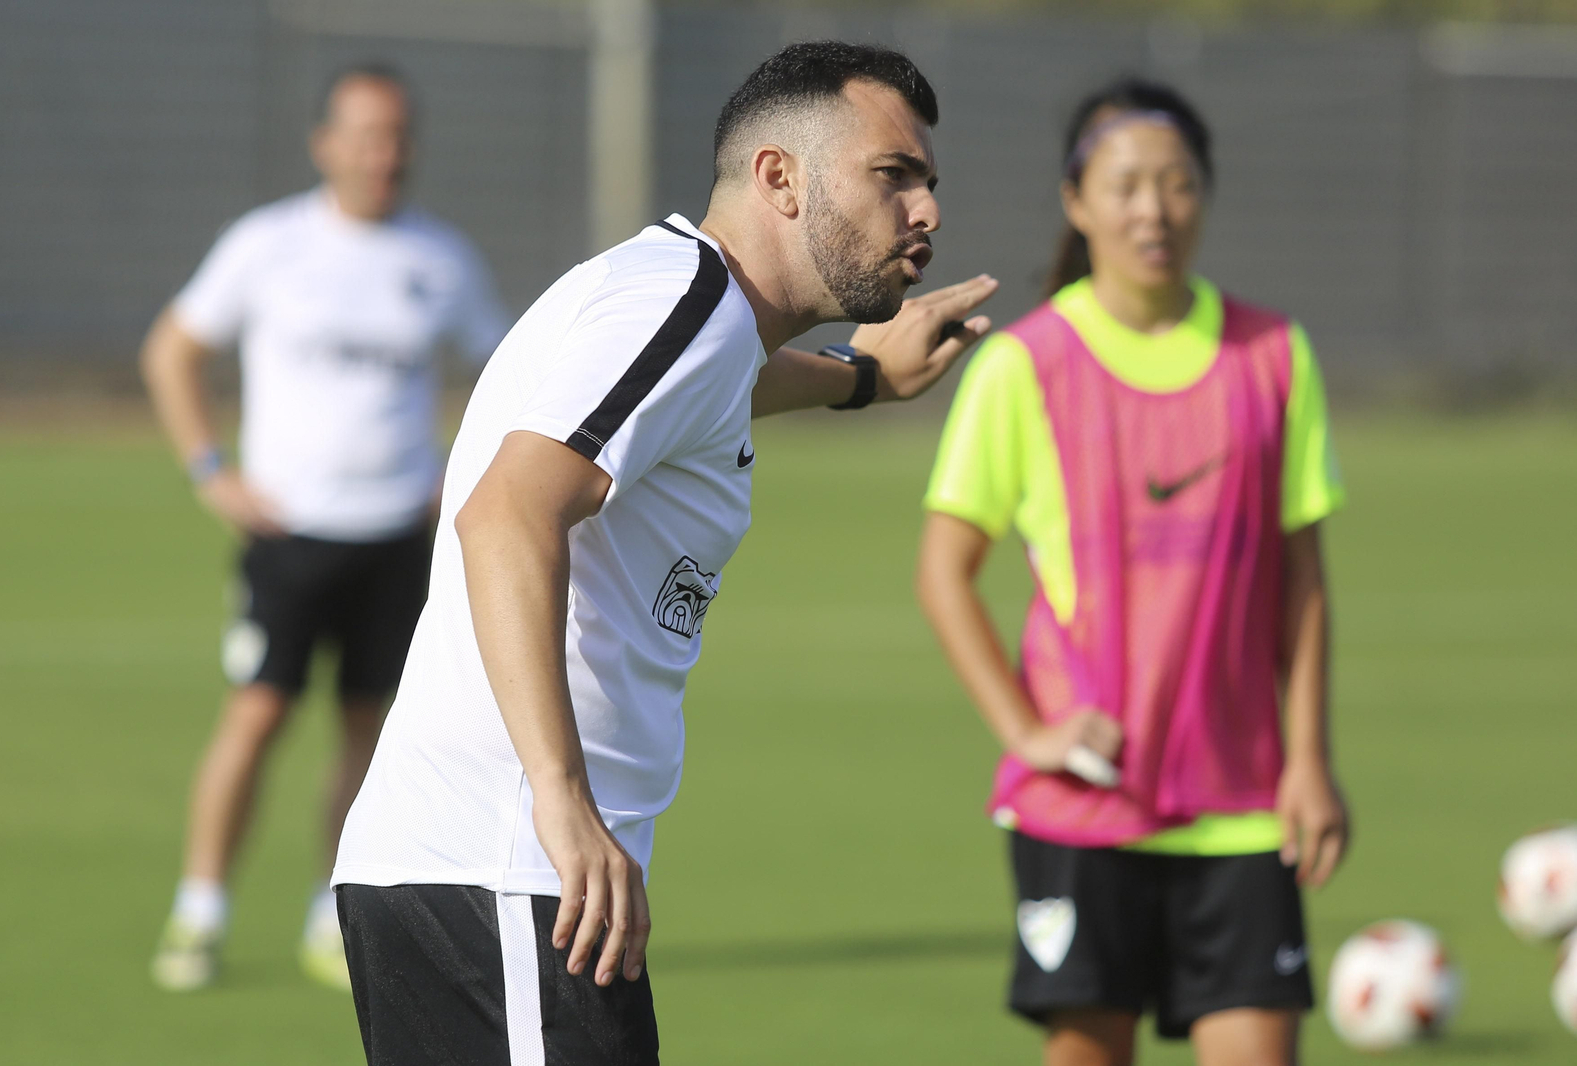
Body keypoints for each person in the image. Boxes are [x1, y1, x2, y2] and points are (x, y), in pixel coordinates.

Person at [331, 42, 997, 1065]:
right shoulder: (678, 305)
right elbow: (504, 515)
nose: (927, 211)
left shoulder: (690, 312)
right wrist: (560, 799)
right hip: (508, 867)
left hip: (492, 874)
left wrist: (861, 380)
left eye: (927, 182)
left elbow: (714, 388)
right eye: (892, 175)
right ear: (780, 177)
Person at [917, 78, 1349, 1066]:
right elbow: (943, 573)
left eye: (1177, 183)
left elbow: (1304, 582)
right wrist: (1027, 731)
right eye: (1124, 186)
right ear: (1077, 201)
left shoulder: (1274, 355)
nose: (1153, 209)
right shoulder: (1024, 365)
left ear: (1205, 193)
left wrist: (1309, 759)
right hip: (1083, 806)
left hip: (1244, 809)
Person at [140, 62, 512, 992]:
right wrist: (210, 471)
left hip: (398, 536)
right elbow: (173, 349)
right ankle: (199, 910)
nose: (385, 154)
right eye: (366, 135)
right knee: (258, 712)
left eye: (398, 136)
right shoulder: (268, 245)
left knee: (368, 730)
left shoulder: (441, 258)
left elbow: (507, 374)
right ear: (326, 144)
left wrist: (455, 476)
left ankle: (329, 915)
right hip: (290, 535)